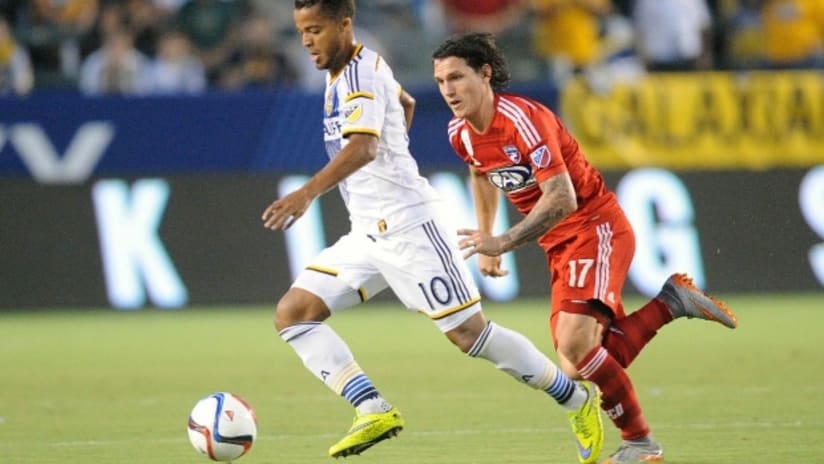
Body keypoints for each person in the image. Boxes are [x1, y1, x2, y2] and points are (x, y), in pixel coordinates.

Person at [262, 1, 604, 462]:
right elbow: (406, 101)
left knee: (471, 337)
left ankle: (574, 398)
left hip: (409, 226)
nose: (306, 41)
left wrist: (306, 194)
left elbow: (362, 148)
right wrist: (395, 145)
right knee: (294, 313)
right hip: (367, 232)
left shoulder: (360, 74)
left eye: (316, 30)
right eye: (301, 31)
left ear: (344, 25)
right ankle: (372, 408)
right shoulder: (350, 70)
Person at [431, 32, 739, 464]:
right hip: (559, 244)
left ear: (484, 74)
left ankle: (641, 443)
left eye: (457, 77)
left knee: (577, 349)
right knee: (577, 364)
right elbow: (482, 175)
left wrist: (503, 239)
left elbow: (562, 198)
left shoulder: (524, 120)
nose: (448, 90)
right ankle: (670, 304)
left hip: (596, 227)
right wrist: (488, 242)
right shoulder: (460, 133)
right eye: (441, 80)